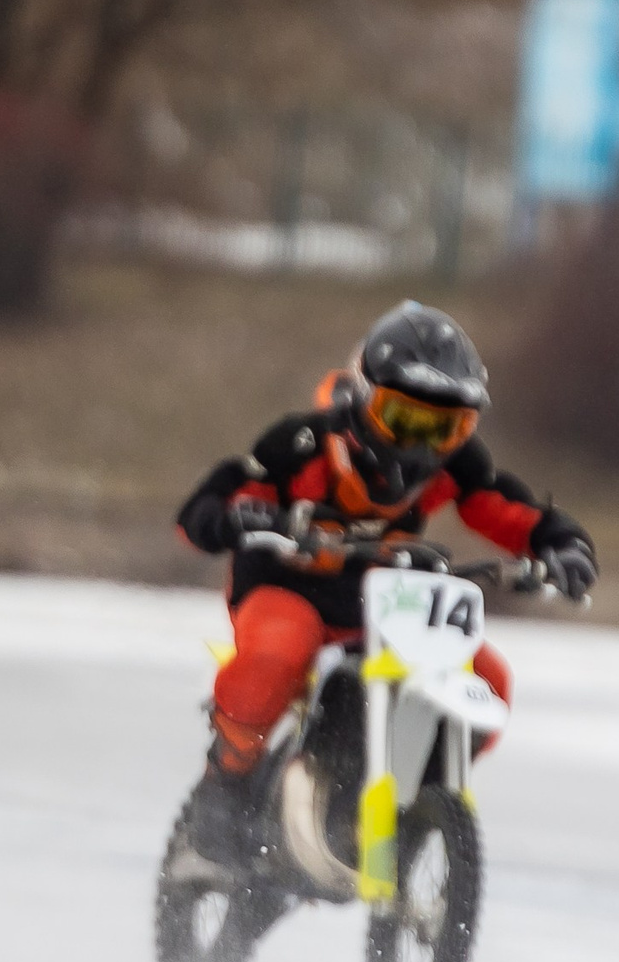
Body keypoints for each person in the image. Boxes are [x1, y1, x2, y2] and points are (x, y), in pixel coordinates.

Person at [173, 301, 596, 863]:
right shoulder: (302, 443)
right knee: (281, 649)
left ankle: (408, 799)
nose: (422, 446)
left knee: (487, 681)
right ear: (364, 397)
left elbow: (510, 510)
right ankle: (224, 781)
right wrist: (242, 519)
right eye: (406, 419)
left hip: (385, 607)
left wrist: (563, 547)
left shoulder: (454, 467)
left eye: (444, 428)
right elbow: (212, 503)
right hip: (287, 588)